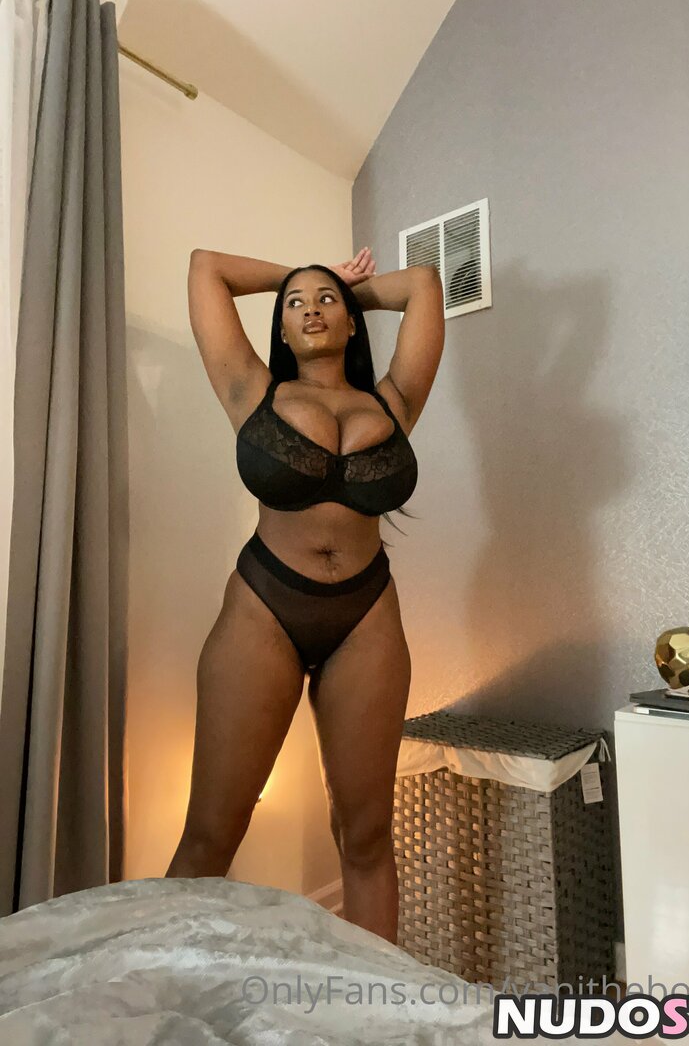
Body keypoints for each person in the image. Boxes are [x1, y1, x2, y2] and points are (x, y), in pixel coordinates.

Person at [165, 246, 445, 944]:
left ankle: (377, 1000)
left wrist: (344, 292)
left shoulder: (394, 400)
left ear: (351, 323)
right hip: (265, 605)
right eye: (295, 305)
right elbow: (206, 268)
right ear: (281, 330)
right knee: (210, 833)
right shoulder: (251, 389)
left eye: (325, 302)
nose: (311, 310)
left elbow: (423, 284)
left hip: (367, 614)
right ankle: (162, 988)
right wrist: (305, 276)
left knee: (367, 835)